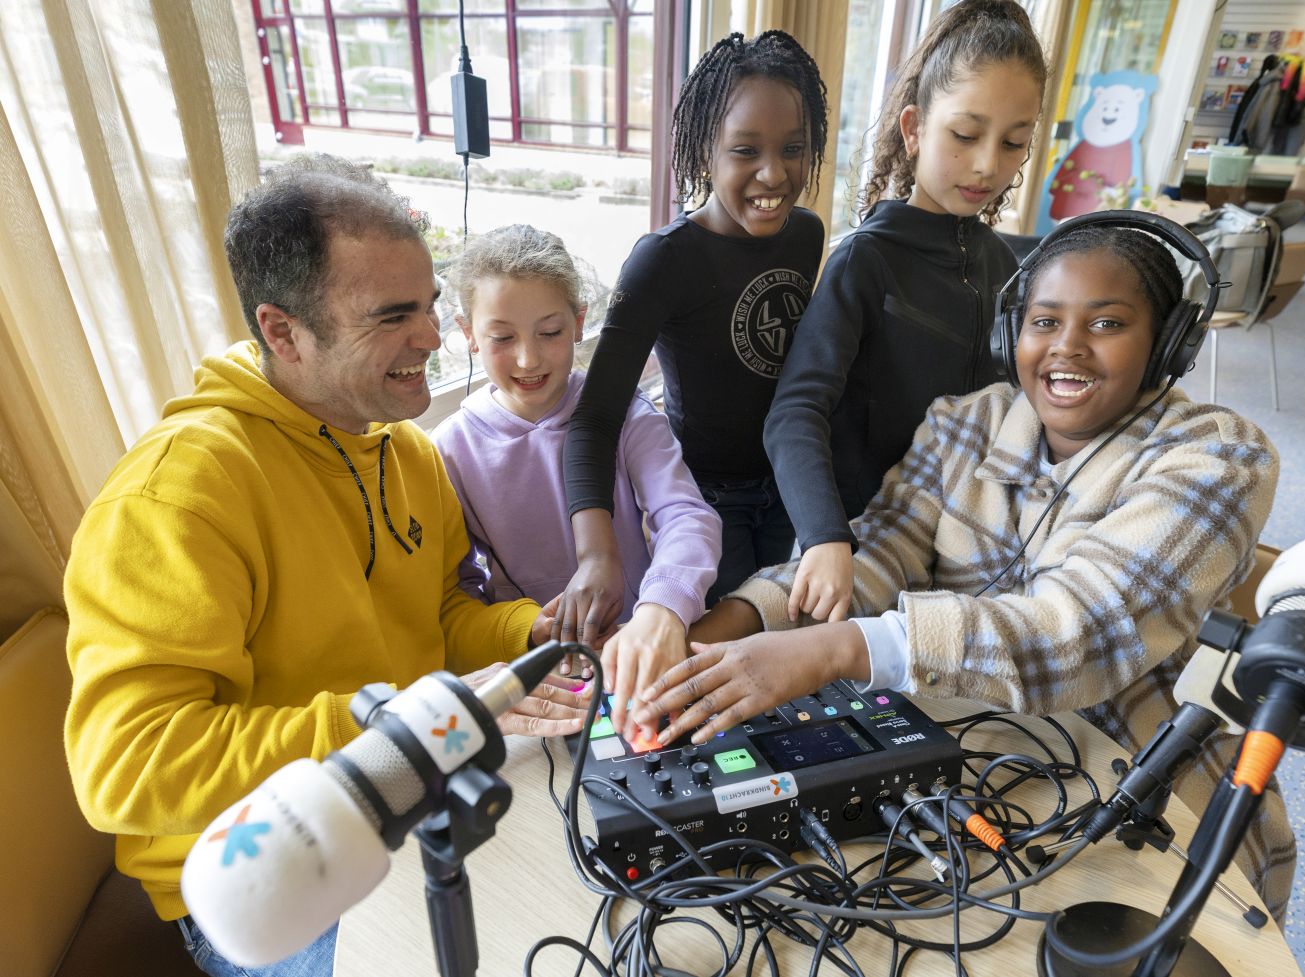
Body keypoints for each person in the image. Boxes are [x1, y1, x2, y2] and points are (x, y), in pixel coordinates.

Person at [633, 220, 1296, 922]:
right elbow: (876, 553)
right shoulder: (964, 421)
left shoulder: (1219, 455)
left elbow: (1082, 631)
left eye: (1106, 322)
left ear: (1167, 342)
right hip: (954, 762)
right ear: (1011, 333)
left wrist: (839, 647)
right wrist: (727, 626)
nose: (1067, 345)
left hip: (1130, 786)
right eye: (1044, 320)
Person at [62, 158, 587, 977]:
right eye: (392, 316)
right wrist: (383, 723)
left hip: (412, 788)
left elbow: (441, 616)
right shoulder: (177, 497)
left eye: (430, 306)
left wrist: (532, 628)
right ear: (282, 332)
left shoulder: (404, 449)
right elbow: (127, 764)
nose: (432, 338)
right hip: (264, 880)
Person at [765, 0, 1046, 625]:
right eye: (966, 135)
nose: (987, 165)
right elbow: (794, 412)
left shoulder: (1009, 270)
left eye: (1014, 143)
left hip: (966, 561)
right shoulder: (865, 261)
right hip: (858, 550)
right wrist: (824, 537)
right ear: (915, 128)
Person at [560, 30, 828, 641]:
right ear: (705, 152)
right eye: (745, 150)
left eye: (794, 147)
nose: (774, 173)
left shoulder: (806, 235)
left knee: (795, 643)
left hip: (794, 483)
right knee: (723, 651)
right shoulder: (663, 260)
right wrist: (596, 554)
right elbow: (595, 417)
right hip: (708, 501)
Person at [432, 224, 721, 739]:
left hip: (644, 652)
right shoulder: (451, 448)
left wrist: (662, 610)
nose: (528, 358)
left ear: (580, 323)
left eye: (550, 332)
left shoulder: (623, 411)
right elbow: (461, 588)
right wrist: (523, 632)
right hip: (545, 679)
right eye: (502, 337)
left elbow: (686, 516)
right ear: (468, 333)